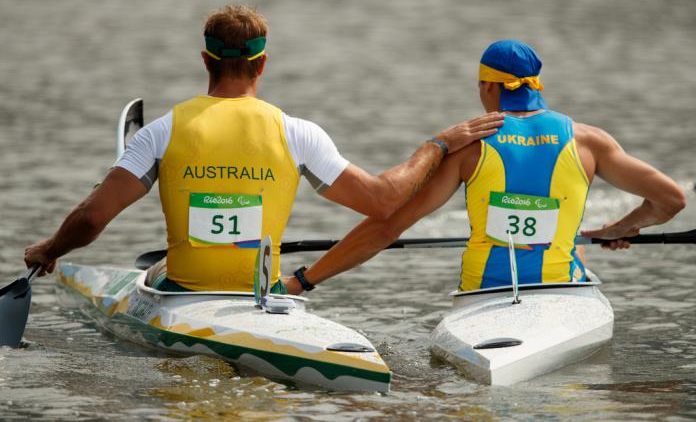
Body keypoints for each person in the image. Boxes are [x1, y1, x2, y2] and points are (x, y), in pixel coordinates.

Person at [23, 5, 504, 293]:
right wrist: (437, 145)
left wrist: (51, 248)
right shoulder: (298, 133)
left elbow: (90, 220)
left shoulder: (160, 132)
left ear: (205, 60)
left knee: (157, 273)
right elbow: (382, 201)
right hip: (264, 296)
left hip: (182, 294)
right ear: (263, 64)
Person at [281, 39, 687, 295]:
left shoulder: (468, 148)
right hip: (565, 288)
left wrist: (303, 279)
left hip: (485, 293)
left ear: (489, 86)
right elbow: (670, 199)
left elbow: (386, 226)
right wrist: (623, 226)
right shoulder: (588, 141)